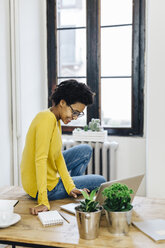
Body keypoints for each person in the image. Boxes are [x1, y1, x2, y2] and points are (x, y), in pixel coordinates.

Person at [20, 79, 106, 215]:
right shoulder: (46, 120)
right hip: (42, 188)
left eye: (79, 114)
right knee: (101, 181)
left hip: (43, 178)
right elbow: (40, 160)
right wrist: (43, 201)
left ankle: (72, 191)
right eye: (75, 112)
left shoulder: (53, 118)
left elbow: (57, 156)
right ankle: (71, 191)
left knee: (85, 150)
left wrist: (70, 185)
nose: (75, 117)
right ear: (62, 102)